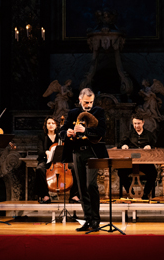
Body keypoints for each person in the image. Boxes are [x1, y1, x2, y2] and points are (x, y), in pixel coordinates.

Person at [59, 88, 107, 232]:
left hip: (92, 152)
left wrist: (85, 131)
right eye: (86, 102)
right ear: (80, 100)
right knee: (81, 188)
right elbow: (61, 131)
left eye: (91, 102)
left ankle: (96, 221)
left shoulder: (98, 112)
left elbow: (102, 131)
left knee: (91, 185)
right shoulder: (73, 113)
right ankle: (88, 219)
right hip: (77, 153)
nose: (89, 105)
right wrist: (66, 133)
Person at [35, 117, 79, 204]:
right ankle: (45, 196)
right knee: (39, 169)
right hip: (47, 161)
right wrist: (46, 152)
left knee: (75, 168)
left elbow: (69, 148)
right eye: (49, 123)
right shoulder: (42, 137)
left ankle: (74, 195)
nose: (51, 125)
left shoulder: (61, 136)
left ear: (56, 125)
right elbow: (39, 151)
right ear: (46, 125)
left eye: (53, 123)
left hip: (62, 162)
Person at [115, 114, 157, 200]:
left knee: (153, 173)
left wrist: (150, 147)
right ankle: (130, 192)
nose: (136, 126)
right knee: (121, 172)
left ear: (143, 123)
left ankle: (145, 193)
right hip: (130, 162)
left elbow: (156, 146)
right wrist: (124, 145)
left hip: (144, 162)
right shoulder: (128, 134)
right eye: (134, 124)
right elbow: (120, 144)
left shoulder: (149, 134)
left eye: (138, 123)